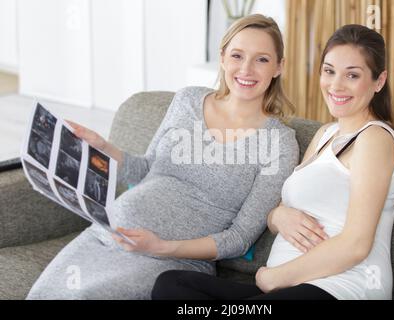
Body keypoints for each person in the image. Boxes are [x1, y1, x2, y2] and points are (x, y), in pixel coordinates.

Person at [26, 14, 299, 300]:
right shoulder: (187, 100)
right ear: (222, 57)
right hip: (106, 233)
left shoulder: (279, 143)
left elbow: (239, 239)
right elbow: (144, 170)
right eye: (237, 55)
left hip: (170, 261)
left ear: (279, 66)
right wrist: (103, 147)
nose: (246, 69)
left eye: (262, 59)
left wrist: (161, 247)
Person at [152, 24, 394, 300]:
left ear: (378, 81)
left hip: (340, 287)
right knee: (171, 285)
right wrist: (278, 215)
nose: (336, 85)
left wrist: (274, 277)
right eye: (329, 71)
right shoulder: (325, 135)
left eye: (352, 75)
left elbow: (356, 244)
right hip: (287, 288)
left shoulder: (374, 139)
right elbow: (280, 211)